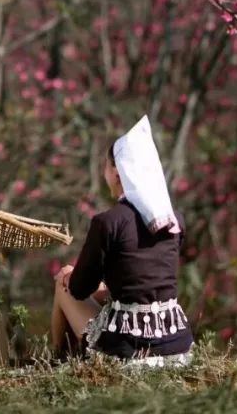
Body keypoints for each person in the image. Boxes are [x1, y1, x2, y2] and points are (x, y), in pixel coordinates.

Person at [50, 115, 194, 366]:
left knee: (64, 286)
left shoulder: (108, 222)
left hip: (129, 353)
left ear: (117, 174)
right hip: (177, 350)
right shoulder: (174, 220)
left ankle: (58, 362)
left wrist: (69, 275)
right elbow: (145, 280)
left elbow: (79, 289)